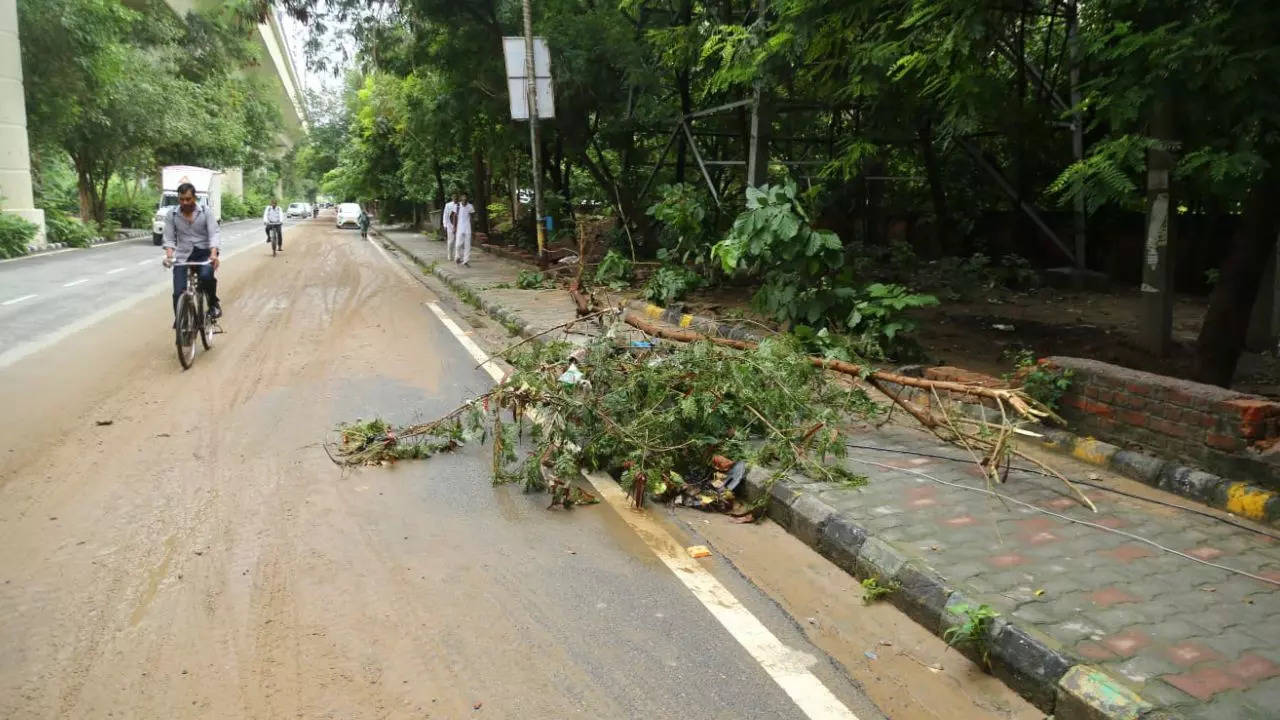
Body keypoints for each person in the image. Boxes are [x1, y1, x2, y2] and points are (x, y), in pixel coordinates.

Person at [162, 182, 222, 320]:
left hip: (204, 253)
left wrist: (213, 254)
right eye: (182, 199)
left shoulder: (206, 212)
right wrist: (169, 256)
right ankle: (181, 323)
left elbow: (214, 234)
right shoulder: (172, 214)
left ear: (194, 198)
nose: (185, 202)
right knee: (178, 292)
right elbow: (169, 238)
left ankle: (213, 304)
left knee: (207, 277)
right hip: (183, 256)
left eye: (188, 199)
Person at [454, 192, 475, 267]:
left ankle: (466, 260)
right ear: (461, 198)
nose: (464, 198)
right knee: (458, 244)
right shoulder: (457, 206)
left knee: (467, 244)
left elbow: (472, 218)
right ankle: (457, 257)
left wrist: (473, 229)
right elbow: (455, 217)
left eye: (465, 197)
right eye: (463, 197)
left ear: (467, 198)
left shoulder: (470, 206)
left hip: (468, 227)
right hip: (459, 227)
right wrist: (454, 227)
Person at [442, 193, 459, 261]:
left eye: (456, 197)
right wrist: (445, 224)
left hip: (458, 225)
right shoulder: (448, 205)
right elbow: (445, 215)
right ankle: (449, 254)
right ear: (452, 197)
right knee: (451, 241)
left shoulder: (460, 205)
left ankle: (457, 255)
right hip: (450, 225)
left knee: (458, 241)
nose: (455, 198)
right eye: (453, 196)